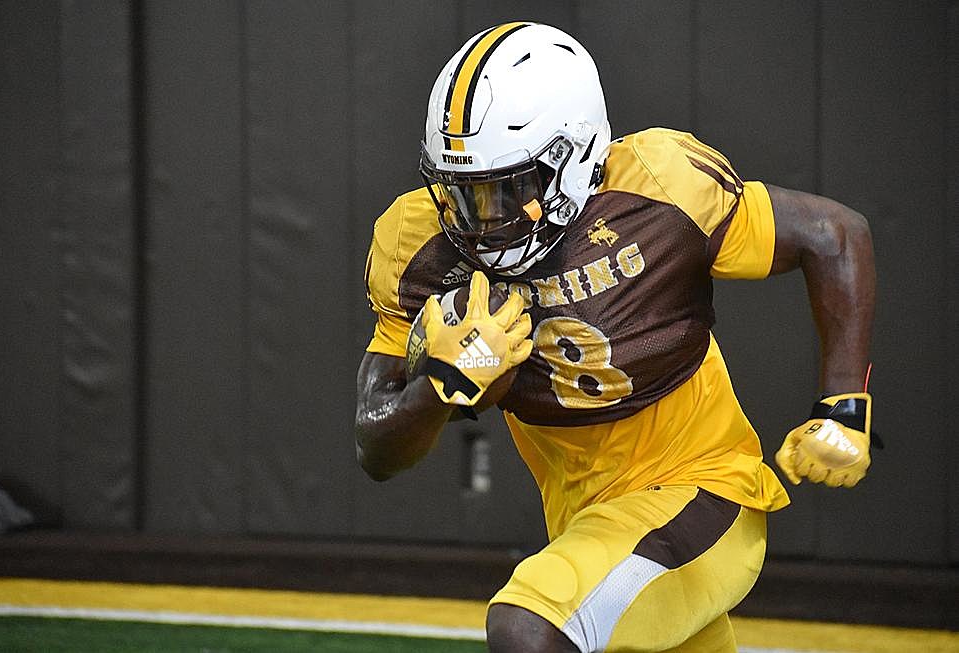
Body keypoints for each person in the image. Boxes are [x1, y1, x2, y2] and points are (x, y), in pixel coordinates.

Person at [355, 21, 876, 653]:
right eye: (461, 193)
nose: (479, 221)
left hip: (703, 483)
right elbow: (375, 448)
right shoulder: (416, 246)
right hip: (587, 520)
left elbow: (834, 234)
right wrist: (440, 390)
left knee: (530, 624)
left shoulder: (659, 186)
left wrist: (843, 407)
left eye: (506, 191)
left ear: (576, 158)